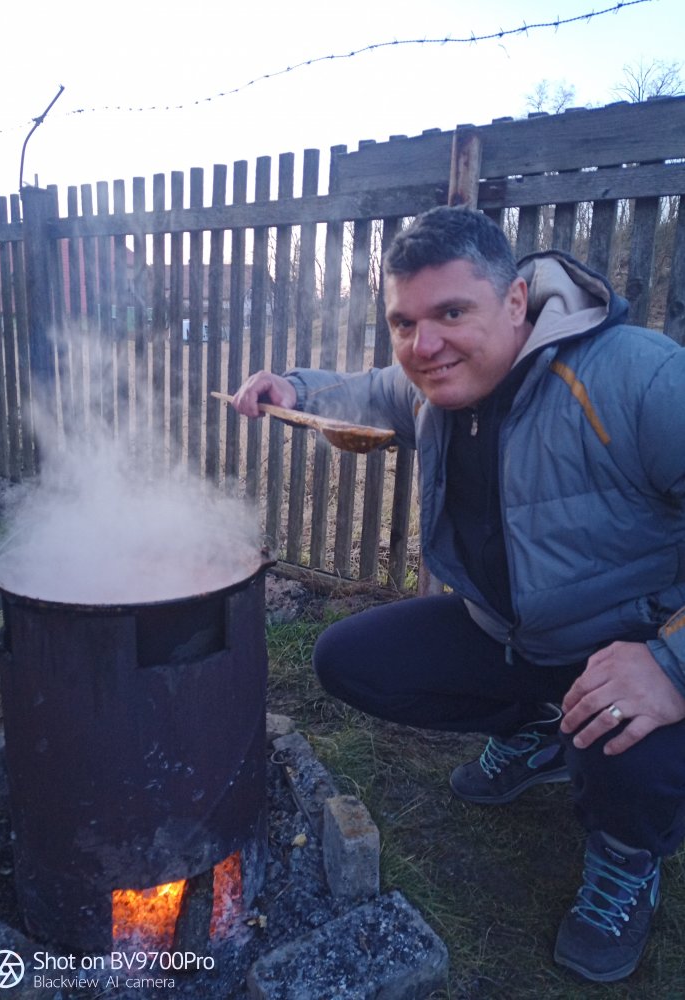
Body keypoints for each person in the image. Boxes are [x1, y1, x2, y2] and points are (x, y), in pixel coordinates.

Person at [232, 206, 685, 984]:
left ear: (516, 301)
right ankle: (540, 730)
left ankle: (626, 856)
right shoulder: (431, 384)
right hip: (515, 634)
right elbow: (366, 392)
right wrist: (292, 386)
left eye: (450, 313)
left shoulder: (639, 378)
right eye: (403, 323)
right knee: (350, 659)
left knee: (629, 747)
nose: (423, 344)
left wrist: (670, 664)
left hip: (641, 642)